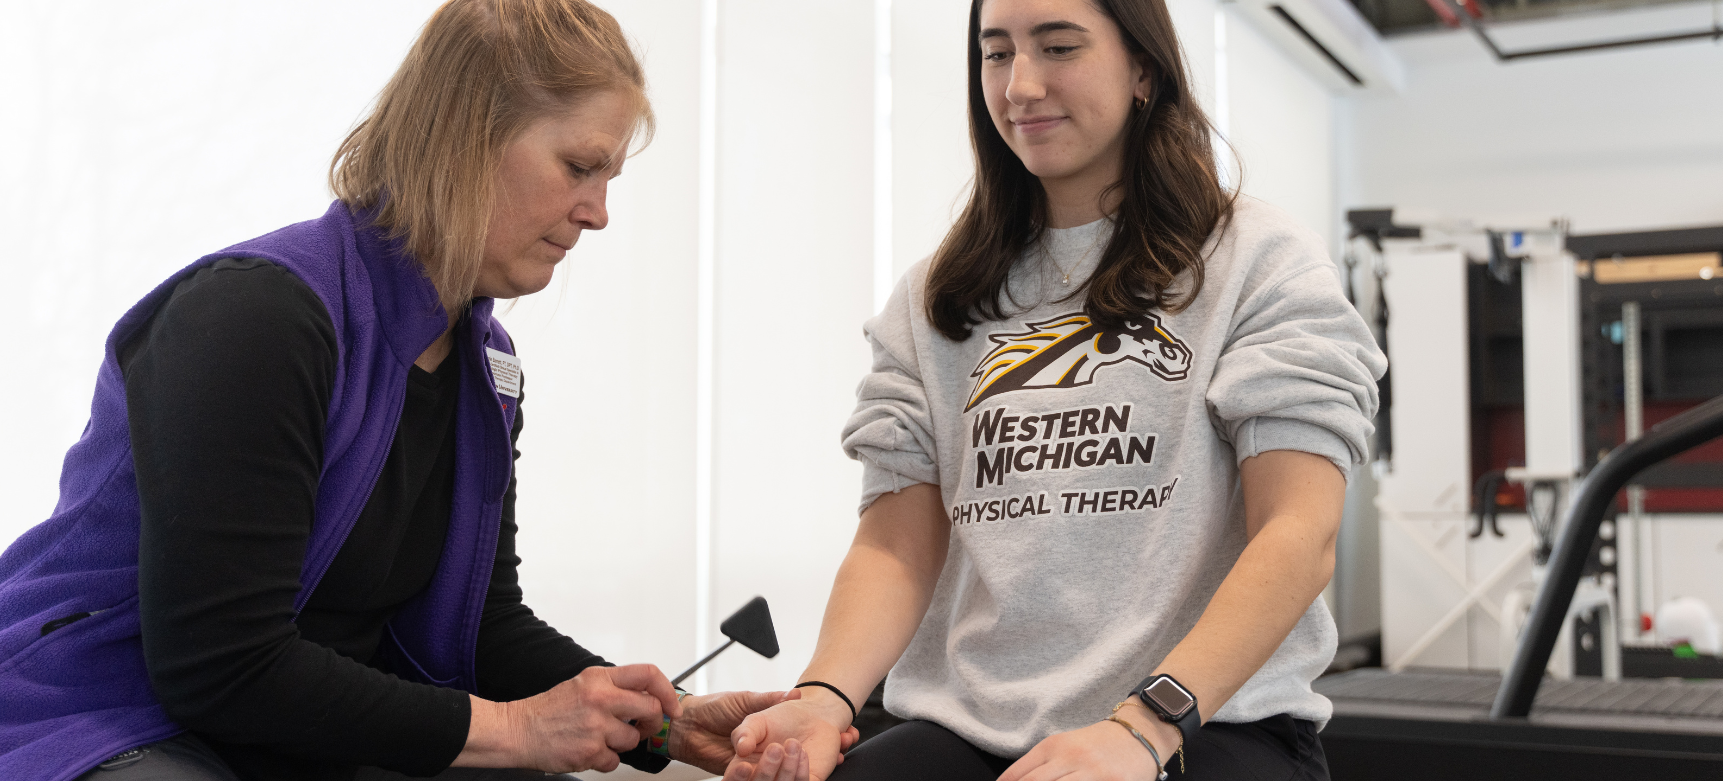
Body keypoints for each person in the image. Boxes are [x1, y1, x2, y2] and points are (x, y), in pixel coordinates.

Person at [0, 2, 844, 779]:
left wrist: (667, 723)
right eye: (580, 166)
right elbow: (219, 662)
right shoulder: (254, 317)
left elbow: (479, 625)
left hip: (272, 727)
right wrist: (517, 732)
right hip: (101, 714)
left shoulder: (487, 365)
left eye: (609, 179)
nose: (598, 213)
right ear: (464, 135)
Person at [722, 0, 1384, 779]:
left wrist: (1143, 726)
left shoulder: (1258, 263)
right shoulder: (932, 297)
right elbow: (894, 550)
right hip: (970, 726)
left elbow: (1297, 534)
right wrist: (822, 697)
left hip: (1205, 721)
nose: (1020, 86)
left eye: (1058, 47)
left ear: (1143, 67)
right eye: (995, 54)